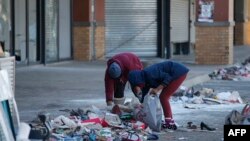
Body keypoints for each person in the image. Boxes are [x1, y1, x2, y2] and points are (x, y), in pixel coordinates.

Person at [128, 60, 189, 130]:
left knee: (164, 97)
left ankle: (168, 122)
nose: (138, 88)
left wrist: (157, 89)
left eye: (137, 86)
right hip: (174, 73)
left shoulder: (149, 74)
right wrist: (141, 104)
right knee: (164, 97)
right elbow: (143, 96)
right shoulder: (144, 82)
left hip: (178, 72)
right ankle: (170, 121)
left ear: (138, 80)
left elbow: (167, 77)